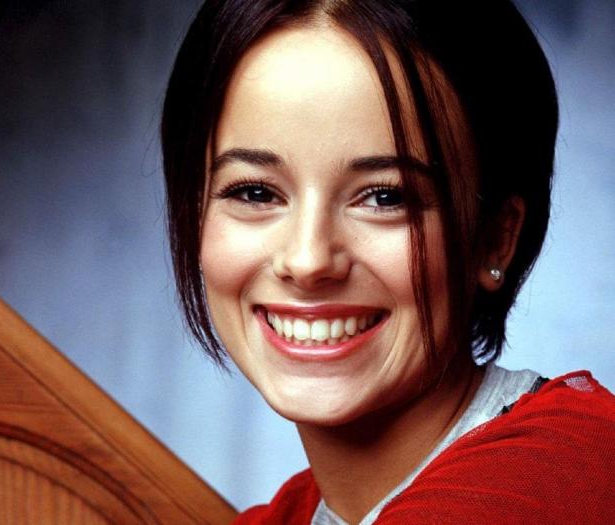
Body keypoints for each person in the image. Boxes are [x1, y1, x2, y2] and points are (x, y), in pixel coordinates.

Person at [161, 1, 615, 523]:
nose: (307, 260)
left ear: (495, 238)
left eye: (384, 197)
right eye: (255, 192)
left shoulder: (557, 474)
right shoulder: (291, 514)